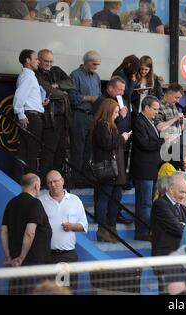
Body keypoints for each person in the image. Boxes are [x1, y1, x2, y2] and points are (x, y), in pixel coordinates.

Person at [0, 173, 52, 294]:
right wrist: (21, 258)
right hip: (33, 264)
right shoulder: (35, 203)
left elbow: (3, 232)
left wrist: (9, 257)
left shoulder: (11, 203)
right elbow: (30, 232)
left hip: (15, 264)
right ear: (36, 186)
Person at [38, 170, 88, 291]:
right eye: (49, 182)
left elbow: (84, 226)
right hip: (47, 256)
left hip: (67, 256)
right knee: (49, 292)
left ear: (62, 181)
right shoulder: (40, 201)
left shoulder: (75, 200)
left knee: (67, 290)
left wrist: (72, 226)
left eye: (55, 181)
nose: (53, 185)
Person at [92, 98, 131, 242]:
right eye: (115, 112)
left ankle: (111, 228)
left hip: (117, 169)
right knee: (105, 198)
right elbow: (108, 144)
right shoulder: (101, 125)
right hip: (108, 169)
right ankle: (103, 230)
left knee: (116, 199)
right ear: (108, 111)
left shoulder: (111, 125)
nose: (116, 114)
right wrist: (122, 138)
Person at [35, 49, 74, 182]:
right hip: (49, 120)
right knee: (48, 153)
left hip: (64, 119)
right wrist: (62, 92)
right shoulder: (35, 74)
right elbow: (50, 91)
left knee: (61, 153)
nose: (49, 63)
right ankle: (45, 184)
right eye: (46, 61)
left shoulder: (56, 70)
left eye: (51, 61)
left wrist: (57, 85)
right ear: (39, 60)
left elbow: (71, 84)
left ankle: (58, 182)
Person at [130, 95, 164, 241]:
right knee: (145, 203)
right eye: (155, 109)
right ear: (146, 107)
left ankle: (146, 230)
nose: (157, 112)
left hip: (151, 169)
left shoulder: (149, 122)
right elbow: (145, 144)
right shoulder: (139, 122)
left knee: (148, 201)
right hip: (144, 170)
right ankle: (142, 231)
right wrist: (163, 140)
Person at [13, 49, 49, 182]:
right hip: (31, 117)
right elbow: (19, 96)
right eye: (36, 58)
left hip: (31, 115)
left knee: (25, 150)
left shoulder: (29, 75)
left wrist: (40, 102)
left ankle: (20, 181)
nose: (38, 61)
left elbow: (27, 97)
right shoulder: (27, 76)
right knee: (31, 152)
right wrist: (21, 114)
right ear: (28, 61)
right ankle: (29, 184)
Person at [151, 173, 186, 293]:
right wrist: (184, 226)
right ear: (170, 189)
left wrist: (184, 226)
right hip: (166, 262)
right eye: (181, 192)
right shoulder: (160, 205)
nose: (184, 196)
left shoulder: (182, 208)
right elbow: (180, 230)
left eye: (185, 192)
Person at [69, 50, 102, 187]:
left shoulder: (96, 77)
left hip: (92, 116)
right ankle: (76, 179)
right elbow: (71, 97)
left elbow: (99, 95)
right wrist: (89, 98)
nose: (96, 67)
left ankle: (85, 177)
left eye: (98, 64)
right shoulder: (75, 75)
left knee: (89, 148)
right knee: (78, 148)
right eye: (94, 64)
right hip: (79, 114)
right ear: (87, 62)